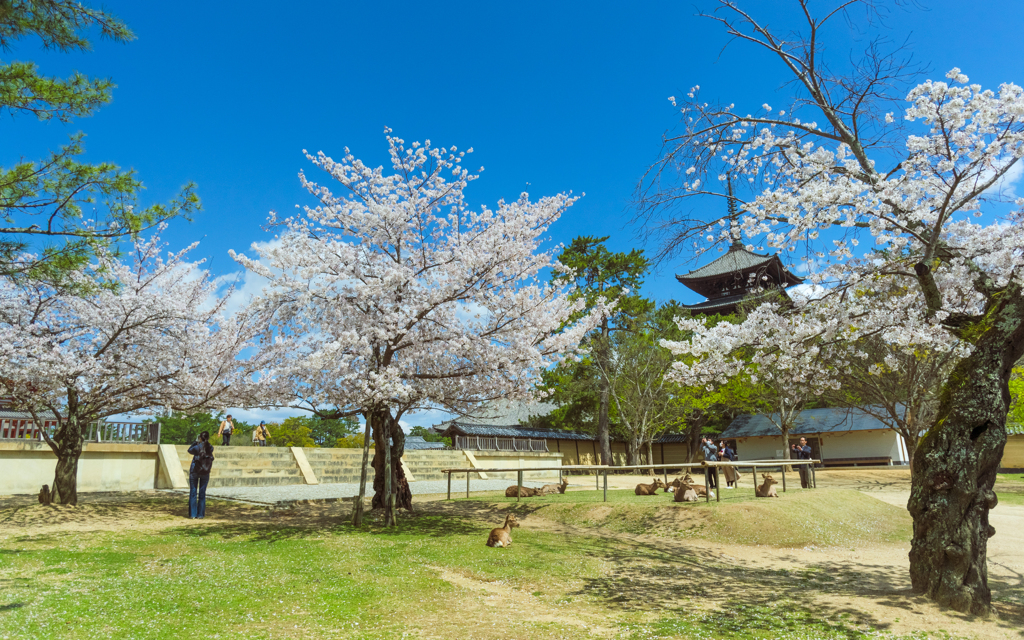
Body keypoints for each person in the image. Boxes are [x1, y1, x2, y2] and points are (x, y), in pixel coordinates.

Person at [188, 431, 215, 519]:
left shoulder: (197, 447)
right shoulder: (210, 447)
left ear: (200, 438)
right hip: (205, 471)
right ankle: (200, 514)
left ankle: (193, 514)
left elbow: (189, 450)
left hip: (195, 470)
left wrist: (194, 442)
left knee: (193, 492)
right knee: (202, 493)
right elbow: (211, 449)